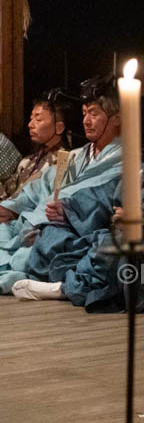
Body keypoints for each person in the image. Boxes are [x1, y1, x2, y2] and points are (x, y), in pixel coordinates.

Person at [13, 99, 144, 311]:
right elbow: (105, 195)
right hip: (111, 232)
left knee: (113, 245)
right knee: (54, 231)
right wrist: (68, 208)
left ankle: (65, 289)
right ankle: (67, 281)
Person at [0, 76, 124, 294]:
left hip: (67, 230)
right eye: (85, 114)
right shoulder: (76, 156)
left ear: (116, 119)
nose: (86, 121)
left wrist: (70, 209)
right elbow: (43, 186)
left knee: (37, 251)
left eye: (94, 114)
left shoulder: (127, 162)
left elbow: (103, 200)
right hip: (32, 222)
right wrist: (12, 206)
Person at [1, 90, 72, 200]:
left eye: (38, 119)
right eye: (31, 119)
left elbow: (53, 203)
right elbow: (7, 193)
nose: (30, 125)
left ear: (59, 128)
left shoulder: (64, 162)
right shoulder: (28, 161)